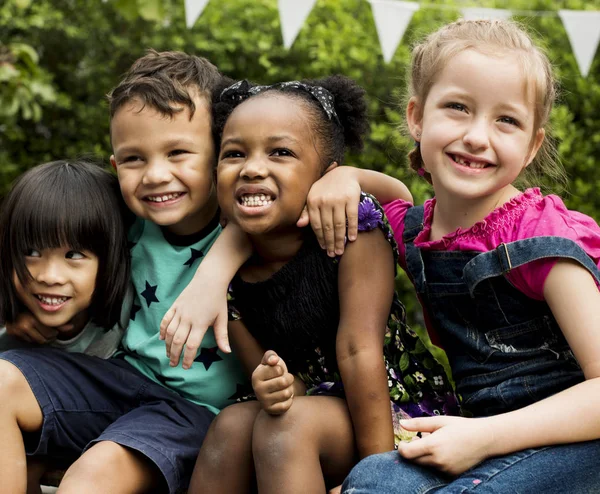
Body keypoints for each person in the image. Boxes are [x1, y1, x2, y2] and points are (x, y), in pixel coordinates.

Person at [304, 19, 600, 492]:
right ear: (417, 117)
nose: (478, 136)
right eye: (458, 108)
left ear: (532, 146)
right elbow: (394, 197)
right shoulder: (417, 230)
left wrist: (485, 437)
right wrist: (346, 176)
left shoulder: (540, 240)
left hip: (579, 442)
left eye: (506, 120)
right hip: (486, 439)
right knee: (373, 479)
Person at [186, 75, 459, 494]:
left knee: (286, 429)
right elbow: (277, 378)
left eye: (280, 152)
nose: (253, 167)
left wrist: (379, 478)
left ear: (324, 178)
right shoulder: (224, 276)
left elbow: (357, 349)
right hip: (315, 407)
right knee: (231, 425)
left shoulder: (351, 225)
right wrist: (271, 383)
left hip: (390, 412)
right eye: (234, 153)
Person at [0, 50, 247, 494]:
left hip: (192, 412)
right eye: (134, 159)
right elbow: (48, 246)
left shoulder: (250, 217)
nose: (155, 174)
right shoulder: (127, 217)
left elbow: (377, 191)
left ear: (221, 155)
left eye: (177, 152)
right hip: (118, 380)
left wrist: (339, 181)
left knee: (91, 478)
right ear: (115, 168)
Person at [0, 160, 131, 357]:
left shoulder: (140, 307)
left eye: (74, 255)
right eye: (32, 253)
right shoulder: (11, 337)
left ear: (112, 259)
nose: (50, 277)